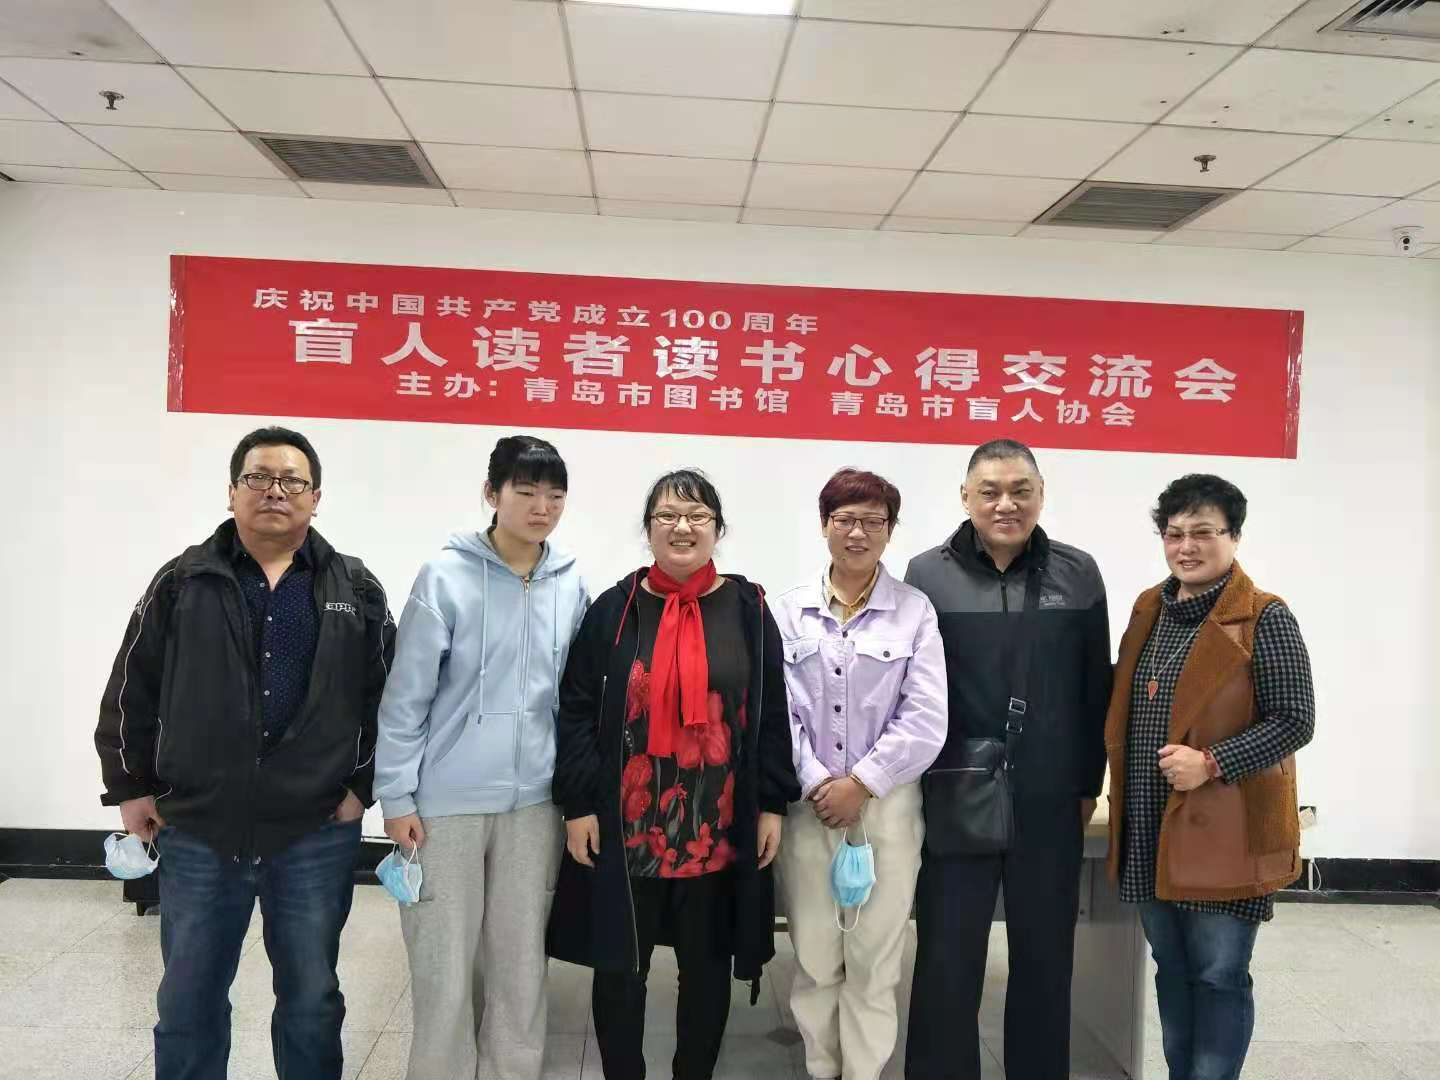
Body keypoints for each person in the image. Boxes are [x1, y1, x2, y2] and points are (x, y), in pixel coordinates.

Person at [95, 425, 395, 1080]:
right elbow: (131, 687)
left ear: (316, 497)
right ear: (232, 492)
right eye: (258, 477)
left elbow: (386, 699)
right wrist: (130, 786)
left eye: (292, 480)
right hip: (201, 825)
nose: (274, 491)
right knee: (189, 998)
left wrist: (361, 787)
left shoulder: (356, 587)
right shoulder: (183, 580)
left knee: (312, 999)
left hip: (314, 827)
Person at [546, 468, 801, 1080]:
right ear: (648, 528)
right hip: (626, 826)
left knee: (706, 971)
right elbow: (576, 708)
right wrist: (578, 804)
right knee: (619, 969)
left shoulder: (748, 609)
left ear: (717, 529)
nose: (682, 527)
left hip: (715, 827)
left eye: (697, 516)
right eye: (667, 515)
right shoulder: (617, 608)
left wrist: (771, 803)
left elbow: (771, 711)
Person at [374, 435, 588, 1080]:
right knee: (441, 959)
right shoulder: (445, 576)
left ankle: (512, 1069)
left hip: (536, 803)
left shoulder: (571, 582)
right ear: (492, 494)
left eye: (554, 495)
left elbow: (577, 697)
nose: (541, 507)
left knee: (521, 958)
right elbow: (405, 696)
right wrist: (397, 796)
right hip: (447, 803)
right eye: (526, 491)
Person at [904, 438, 1111, 1080]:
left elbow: (1095, 689)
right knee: (947, 961)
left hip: (1050, 796)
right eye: (990, 491)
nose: (1006, 504)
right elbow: (913, 688)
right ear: (965, 497)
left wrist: (1088, 783)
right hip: (957, 791)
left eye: (1021, 490)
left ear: (1041, 495)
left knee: (1045, 959)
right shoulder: (926, 573)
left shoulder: (1079, 573)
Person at [1105, 474, 1314, 1080]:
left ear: (1234, 537)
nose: (1186, 547)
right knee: (1172, 972)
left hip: (1228, 829)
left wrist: (1213, 762)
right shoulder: (1150, 608)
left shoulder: (1264, 617)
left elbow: (1295, 719)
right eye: (1174, 534)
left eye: (1203, 532)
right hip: (1152, 826)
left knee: (1219, 976)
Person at [773, 468, 947, 1080]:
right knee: (815, 958)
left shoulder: (914, 612)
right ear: (825, 525)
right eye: (845, 519)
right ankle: (822, 1069)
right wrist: (817, 781)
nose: (858, 533)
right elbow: (776, 713)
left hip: (887, 810)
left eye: (873, 521)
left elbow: (926, 717)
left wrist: (863, 783)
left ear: (890, 530)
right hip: (810, 807)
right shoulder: (787, 611)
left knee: (876, 963)